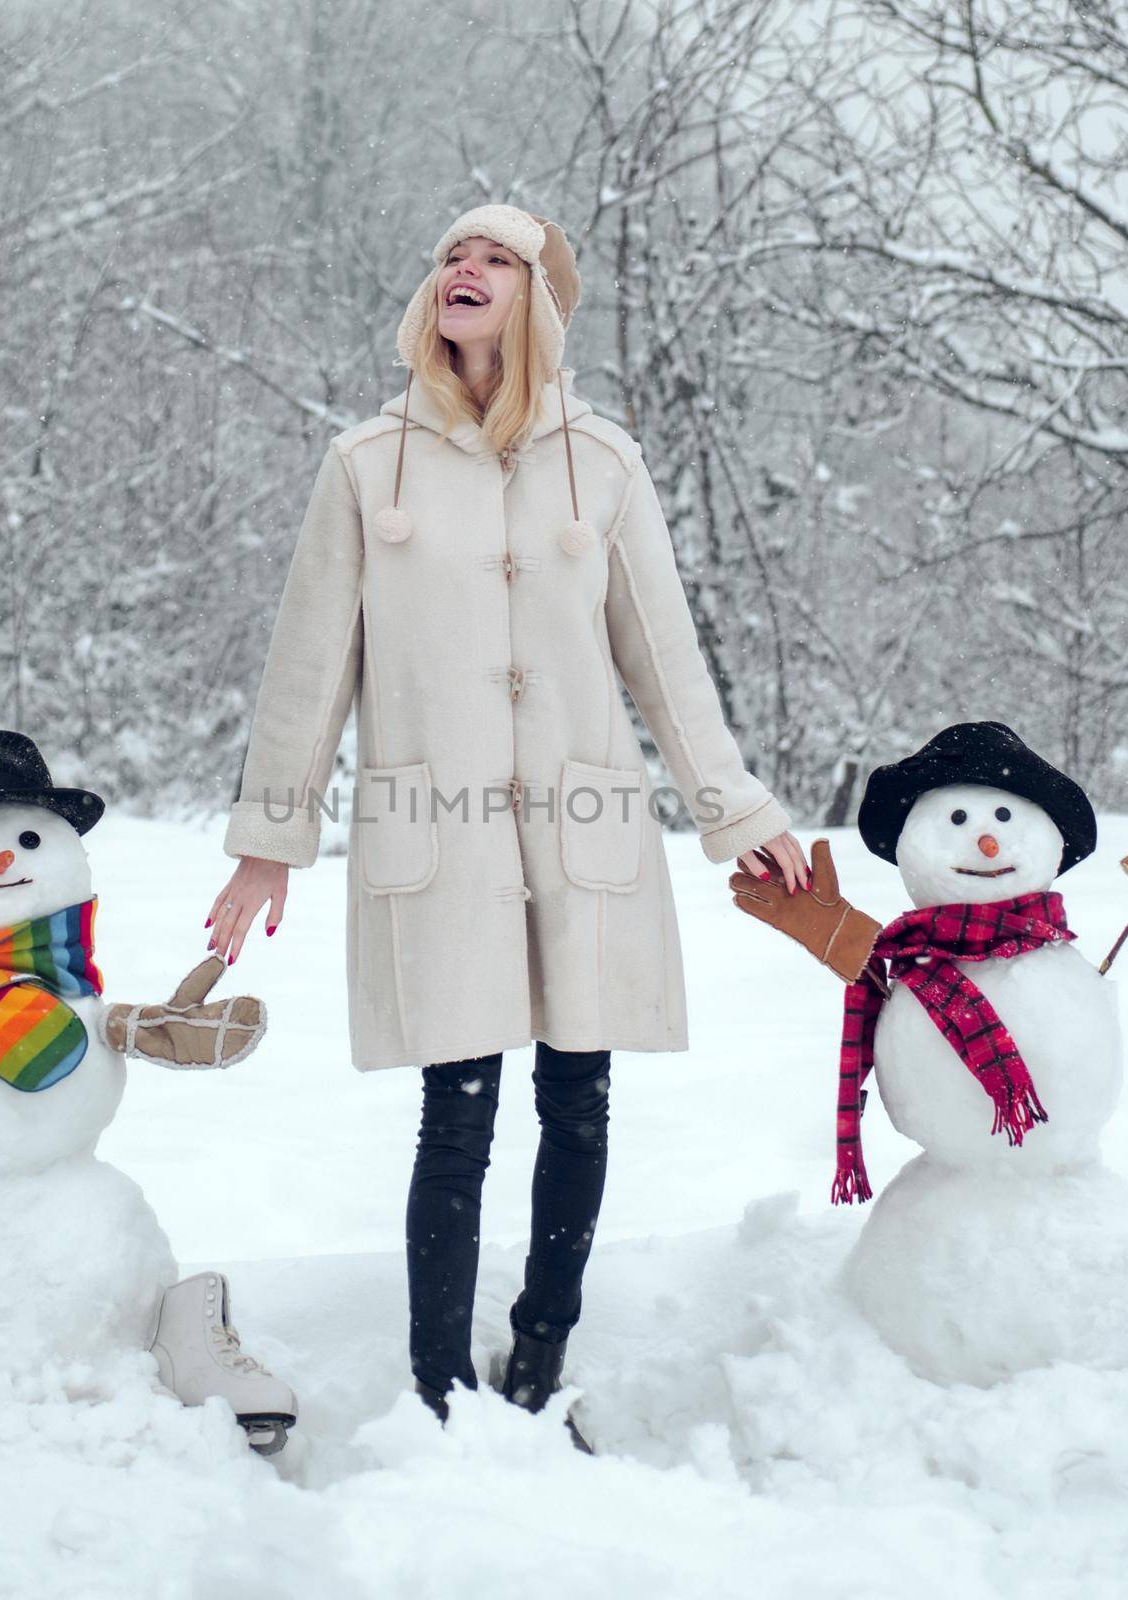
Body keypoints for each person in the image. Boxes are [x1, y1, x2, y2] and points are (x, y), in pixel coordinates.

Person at [207, 204, 806, 1448]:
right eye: (446, 258)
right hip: (435, 825)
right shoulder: (367, 464)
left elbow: (665, 660)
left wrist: (733, 809)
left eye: (491, 259)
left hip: (582, 822)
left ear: (537, 298)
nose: (461, 271)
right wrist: (273, 835)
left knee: (578, 1094)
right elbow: (309, 665)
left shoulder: (607, 463)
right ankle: (438, 1382)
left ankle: (541, 1345)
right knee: (459, 1101)